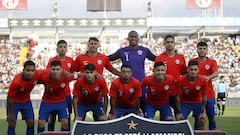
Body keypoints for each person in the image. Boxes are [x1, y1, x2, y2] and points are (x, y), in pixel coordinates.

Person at [108, 30, 156, 113]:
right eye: (131, 37)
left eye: (135, 36)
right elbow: (106, 59)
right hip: (125, 84)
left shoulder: (144, 50)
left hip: (141, 84)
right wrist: (117, 73)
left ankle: (144, 124)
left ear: (138, 38)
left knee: (142, 108)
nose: (133, 38)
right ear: (128, 38)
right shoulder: (122, 51)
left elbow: (157, 59)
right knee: (124, 106)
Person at [37, 60, 74, 134]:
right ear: (49, 69)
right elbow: (32, 75)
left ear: (61, 70)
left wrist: (97, 75)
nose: (55, 71)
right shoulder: (44, 75)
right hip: (47, 102)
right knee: (41, 122)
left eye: (57, 69)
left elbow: (79, 76)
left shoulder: (67, 76)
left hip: (61, 102)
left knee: (65, 122)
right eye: (53, 69)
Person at [154, 34, 187, 117]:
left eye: (172, 42)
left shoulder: (180, 57)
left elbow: (184, 73)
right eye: (167, 42)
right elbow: (155, 73)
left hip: (176, 90)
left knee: (179, 114)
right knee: (165, 116)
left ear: (174, 44)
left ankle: (178, 130)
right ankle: (164, 130)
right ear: (164, 44)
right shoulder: (159, 58)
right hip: (164, 90)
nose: (170, 44)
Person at [46, 40, 74, 131]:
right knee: (52, 117)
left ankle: (66, 133)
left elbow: (73, 75)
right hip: (53, 94)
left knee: (66, 118)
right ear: (57, 49)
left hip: (66, 94)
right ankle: (50, 132)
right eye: (60, 47)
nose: (62, 48)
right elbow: (47, 75)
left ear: (67, 48)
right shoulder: (52, 60)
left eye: (64, 47)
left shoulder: (70, 60)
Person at [7, 60, 39, 135]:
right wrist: (11, 114)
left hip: (26, 101)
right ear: (23, 70)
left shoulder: (37, 75)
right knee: (12, 123)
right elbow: (9, 97)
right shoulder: (16, 82)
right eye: (28, 70)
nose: (30, 73)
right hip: (14, 102)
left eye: (32, 70)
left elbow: (46, 75)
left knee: (31, 122)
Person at [191, 41, 218, 130]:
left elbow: (216, 73)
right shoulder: (193, 61)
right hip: (196, 95)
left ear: (207, 50)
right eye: (200, 49)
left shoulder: (212, 62)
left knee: (211, 117)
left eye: (204, 49)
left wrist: (208, 77)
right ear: (197, 50)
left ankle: (213, 133)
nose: (202, 50)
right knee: (198, 118)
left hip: (209, 94)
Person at [175, 60, 208, 130]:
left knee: (202, 120)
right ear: (187, 70)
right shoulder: (181, 80)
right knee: (180, 120)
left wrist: (202, 112)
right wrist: (178, 112)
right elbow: (177, 97)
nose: (193, 71)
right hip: (184, 103)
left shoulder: (203, 80)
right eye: (191, 69)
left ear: (198, 70)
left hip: (197, 102)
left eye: (195, 69)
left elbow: (204, 97)